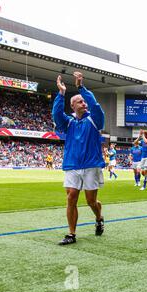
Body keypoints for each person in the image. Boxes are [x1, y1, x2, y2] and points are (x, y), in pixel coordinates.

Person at [52, 72, 104, 245]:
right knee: (71, 197)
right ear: (73, 106)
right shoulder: (68, 123)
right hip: (72, 164)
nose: (84, 103)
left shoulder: (95, 119)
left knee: (91, 201)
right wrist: (61, 93)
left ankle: (99, 218)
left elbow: (96, 105)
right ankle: (71, 234)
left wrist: (81, 87)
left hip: (91, 165)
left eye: (84, 101)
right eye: (80, 101)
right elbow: (57, 115)